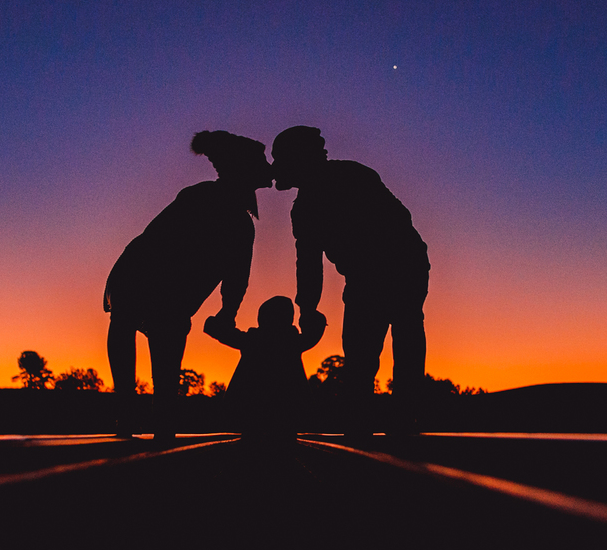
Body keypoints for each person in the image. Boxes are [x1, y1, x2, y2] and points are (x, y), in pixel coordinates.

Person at [104, 131, 272, 439]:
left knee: (159, 342)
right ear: (244, 168)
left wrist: (227, 312)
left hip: (155, 292)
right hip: (147, 286)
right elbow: (156, 245)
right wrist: (226, 314)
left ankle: (145, 420)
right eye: (262, 160)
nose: (269, 165)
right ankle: (137, 417)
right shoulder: (216, 206)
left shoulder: (226, 211)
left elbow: (235, 278)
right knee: (154, 338)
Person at [270, 125, 429, 436]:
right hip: (369, 275)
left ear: (300, 159)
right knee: (362, 352)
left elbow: (397, 223)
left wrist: (309, 308)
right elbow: (309, 264)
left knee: (400, 338)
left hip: (400, 267)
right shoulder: (305, 208)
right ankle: (364, 423)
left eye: (282, 159)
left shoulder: (351, 178)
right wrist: (308, 308)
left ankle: (400, 420)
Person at [203, 296, 326, 440]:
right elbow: (316, 328)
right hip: (288, 410)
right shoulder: (292, 342)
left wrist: (227, 313)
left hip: (249, 409)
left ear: (261, 318)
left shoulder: (252, 340)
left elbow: (213, 328)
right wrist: (308, 311)